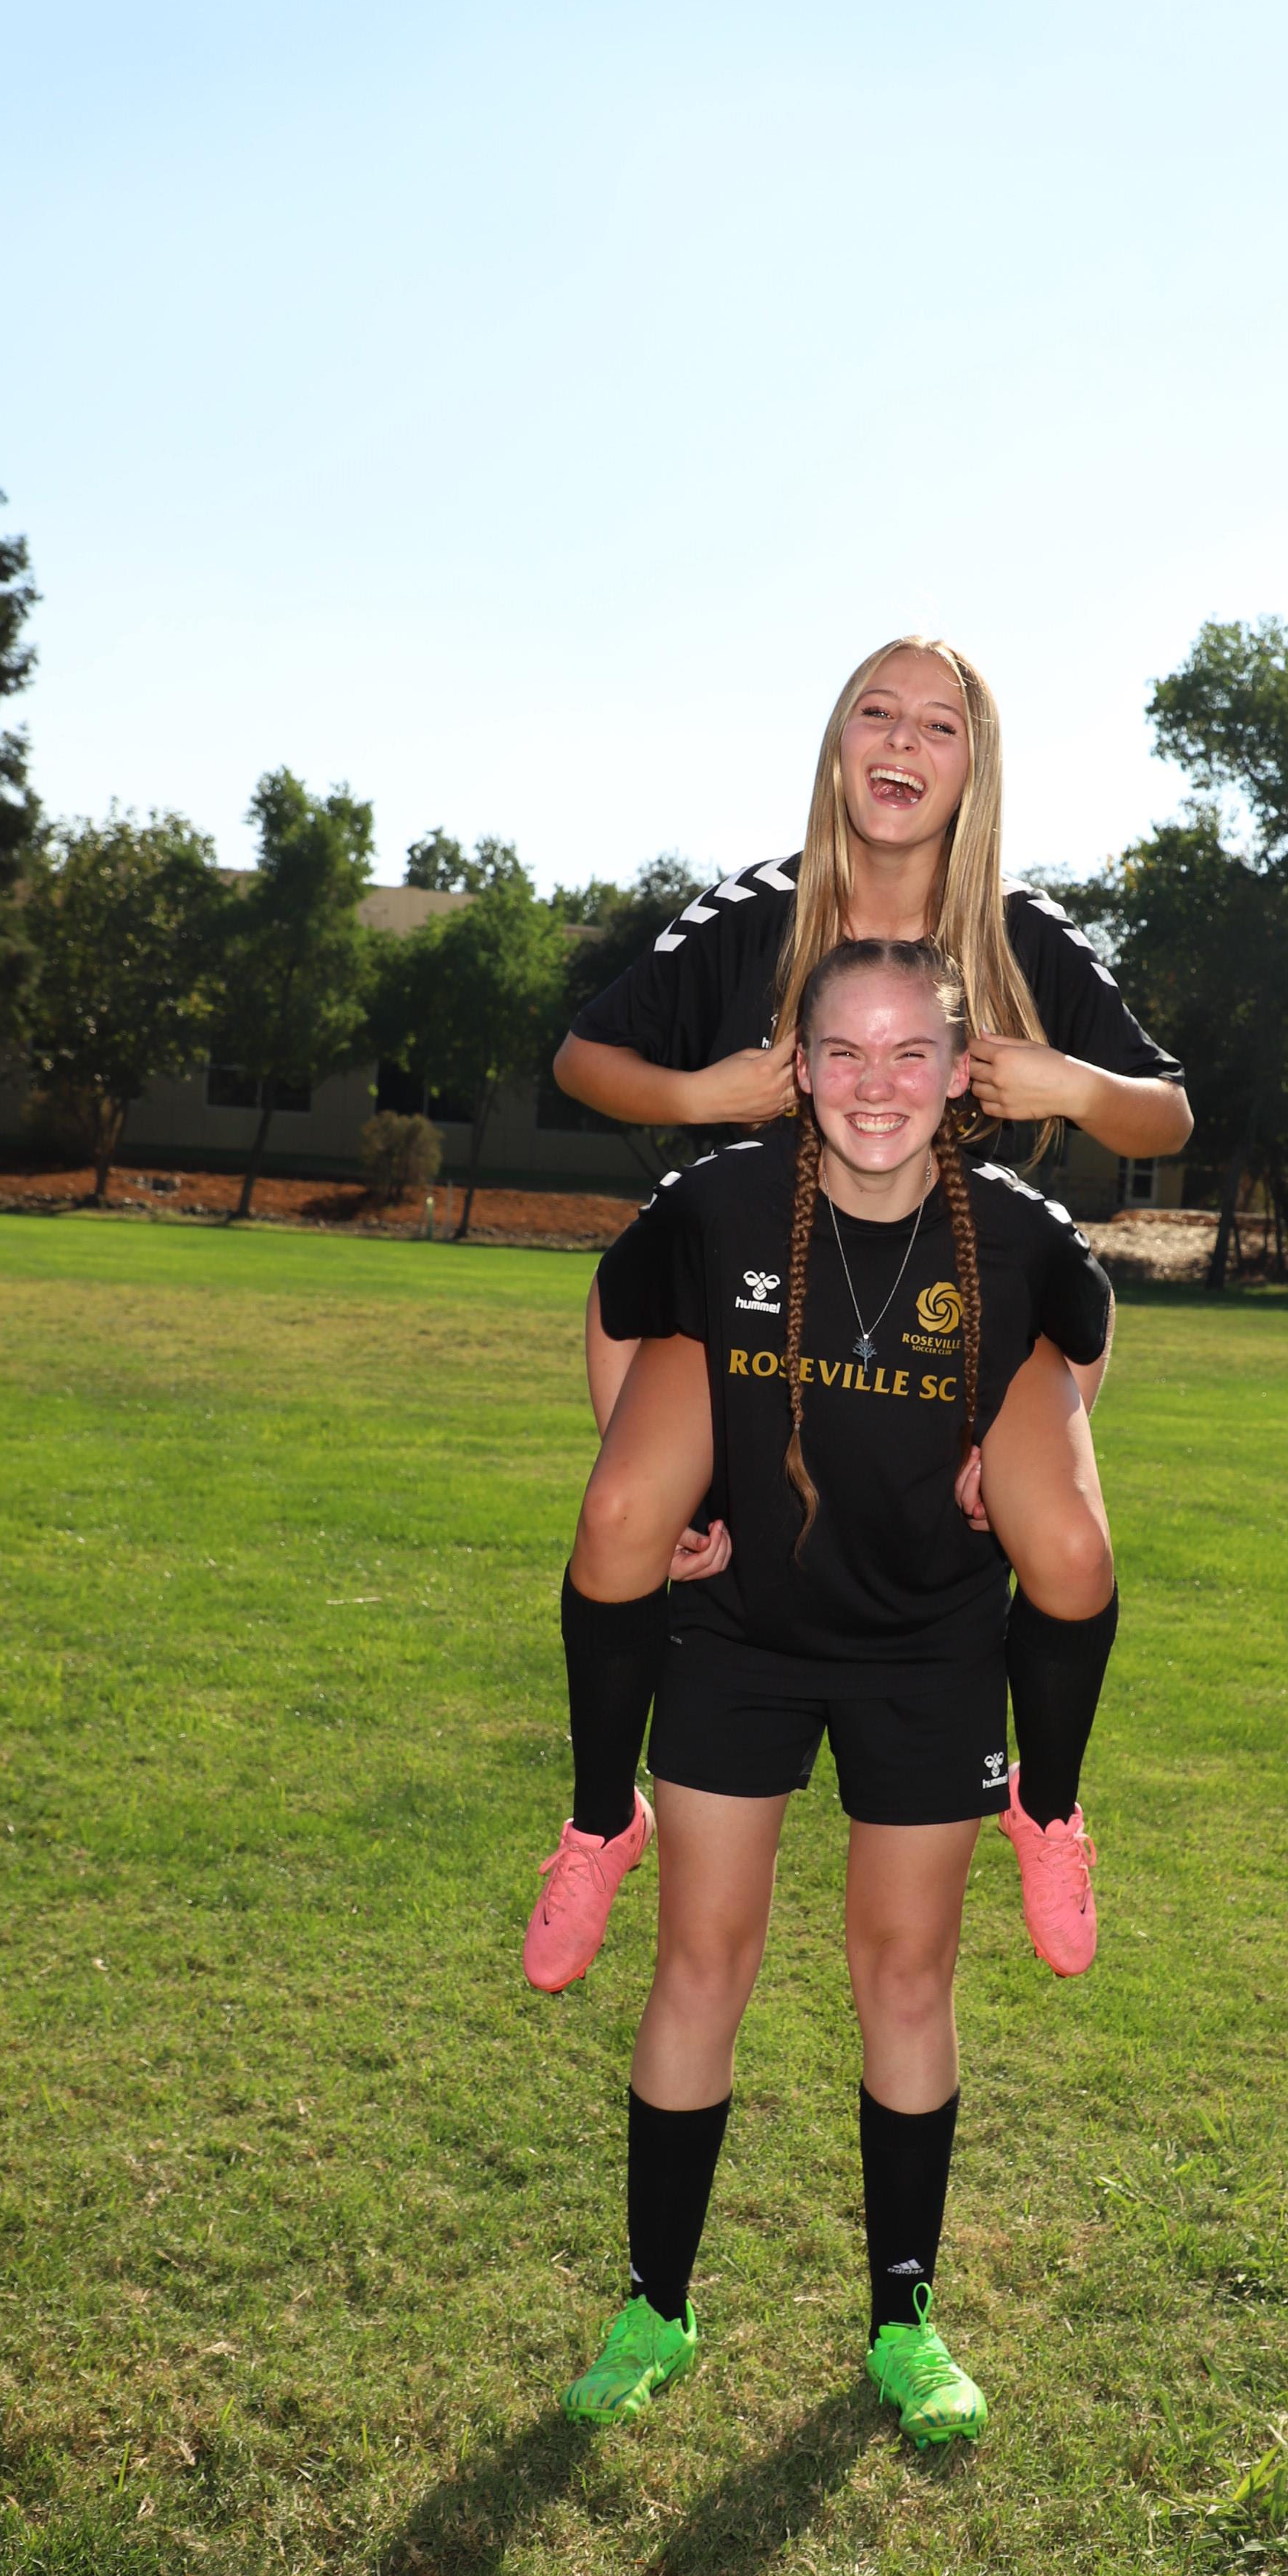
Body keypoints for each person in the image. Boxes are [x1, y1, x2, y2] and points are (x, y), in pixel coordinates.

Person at [525, 938, 1114, 2444]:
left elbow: (1088, 1338)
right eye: (843, 1051)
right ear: (798, 1068)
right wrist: (658, 1485)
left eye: (911, 1052)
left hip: (929, 1649)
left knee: (904, 1976)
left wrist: (1020, 1450)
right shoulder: (718, 1203)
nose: (875, 1083)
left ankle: (905, 2320)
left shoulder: (1018, 1233)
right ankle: (656, 2303)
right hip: (743, 1633)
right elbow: (613, 1308)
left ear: (959, 1073)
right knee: (700, 1963)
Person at [547, 635, 1188, 1943]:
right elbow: (581, 1059)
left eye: (939, 725)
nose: (903, 741)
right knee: (619, 1513)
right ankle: (600, 1821)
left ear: (976, 767)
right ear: (838, 742)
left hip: (954, 1326)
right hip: (749, 1313)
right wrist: (699, 1095)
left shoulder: (1018, 934)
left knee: (1070, 1550)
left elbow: (1166, 1115)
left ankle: (1047, 1807)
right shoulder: (758, 912)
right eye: (877, 713)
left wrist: (1069, 1083)